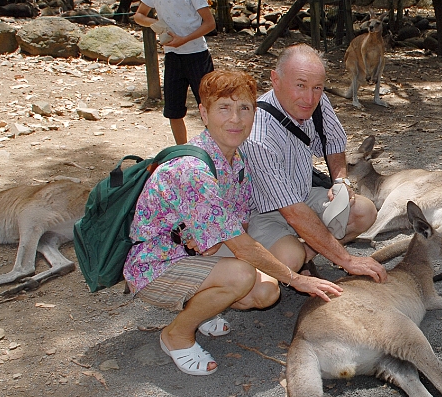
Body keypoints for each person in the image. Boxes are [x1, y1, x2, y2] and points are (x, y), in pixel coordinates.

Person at [124, 70, 343, 376]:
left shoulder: (234, 160)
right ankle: (176, 335)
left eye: (244, 108)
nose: (236, 120)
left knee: (266, 293)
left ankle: (201, 310)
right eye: (224, 108)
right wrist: (297, 279)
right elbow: (240, 244)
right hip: (156, 265)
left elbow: (240, 227)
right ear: (203, 113)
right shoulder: (194, 170)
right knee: (241, 276)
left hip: (200, 251)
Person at [237, 44, 387, 282]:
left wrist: (341, 181)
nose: (309, 98)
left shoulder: (317, 101)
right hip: (264, 211)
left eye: (317, 87)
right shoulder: (258, 135)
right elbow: (293, 213)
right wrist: (348, 260)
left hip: (301, 194)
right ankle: (272, 265)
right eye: (300, 85)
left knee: (364, 211)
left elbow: (334, 143)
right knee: (289, 258)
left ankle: (308, 253)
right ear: (275, 80)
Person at [132, 0, 216, 145]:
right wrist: (156, 25)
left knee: (209, 107)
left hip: (197, 55)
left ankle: (216, 150)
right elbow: (139, 15)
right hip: (172, 55)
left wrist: (185, 39)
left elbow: (209, 23)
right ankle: (182, 152)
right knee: (173, 110)